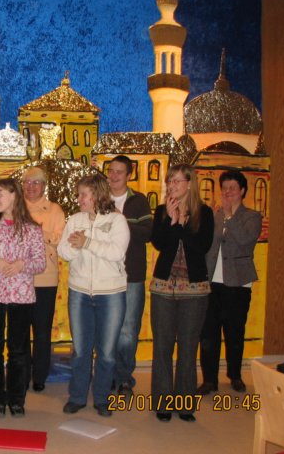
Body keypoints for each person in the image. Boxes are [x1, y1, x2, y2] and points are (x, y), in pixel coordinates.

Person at [0, 178, 45, 418]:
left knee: (18, 349)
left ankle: (16, 399)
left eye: (0, 194)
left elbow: (40, 263)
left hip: (21, 296)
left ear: (14, 195)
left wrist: (22, 264)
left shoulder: (31, 229)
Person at [57, 175, 130, 417]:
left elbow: (117, 253)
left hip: (111, 294)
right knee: (80, 350)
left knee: (107, 352)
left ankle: (101, 398)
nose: (79, 199)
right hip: (79, 292)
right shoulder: (75, 220)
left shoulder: (117, 220)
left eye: (83, 194)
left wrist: (87, 242)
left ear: (97, 195)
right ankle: (77, 397)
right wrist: (76, 246)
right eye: (79, 194)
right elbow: (63, 251)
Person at [150, 164, 213, 423]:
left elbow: (202, 246)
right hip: (163, 288)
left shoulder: (204, 213)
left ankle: (185, 404)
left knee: (188, 347)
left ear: (189, 183)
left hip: (195, 290)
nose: (172, 185)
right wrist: (171, 221)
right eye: (170, 181)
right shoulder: (161, 211)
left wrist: (181, 225)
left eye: (177, 181)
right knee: (162, 346)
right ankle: (163, 403)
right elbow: (159, 243)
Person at [198, 170, 262, 395]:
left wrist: (229, 215)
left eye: (232, 188)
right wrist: (219, 215)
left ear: (242, 191)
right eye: (224, 188)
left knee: (235, 332)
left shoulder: (252, 216)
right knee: (209, 333)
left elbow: (245, 240)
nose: (227, 192)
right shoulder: (214, 215)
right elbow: (206, 244)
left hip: (238, 283)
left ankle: (235, 375)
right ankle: (209, 380)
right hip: (211, 283)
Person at [107, 155, 153, 396]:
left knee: (127, 329)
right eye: (111, 170)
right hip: (104, 274)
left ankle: (124, 378)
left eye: (119, 172)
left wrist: (120, 219)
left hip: (132, 274)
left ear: (129, 175)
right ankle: (107, 374)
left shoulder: (139, 201)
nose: (114, 175)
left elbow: (147, 233)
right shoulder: (99, 199)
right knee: (106, 328)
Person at [22, 166, 66, 392]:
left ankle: (39, 375)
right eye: (27, 182)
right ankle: (21, 373)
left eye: (36, 182)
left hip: (45, 278)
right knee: (20, 330)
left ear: (44, 186)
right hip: (18, 278)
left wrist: (38, 232)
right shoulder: (15, 207)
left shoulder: (54, 210)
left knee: (41, 330)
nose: (31, 186)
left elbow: (61, 239)